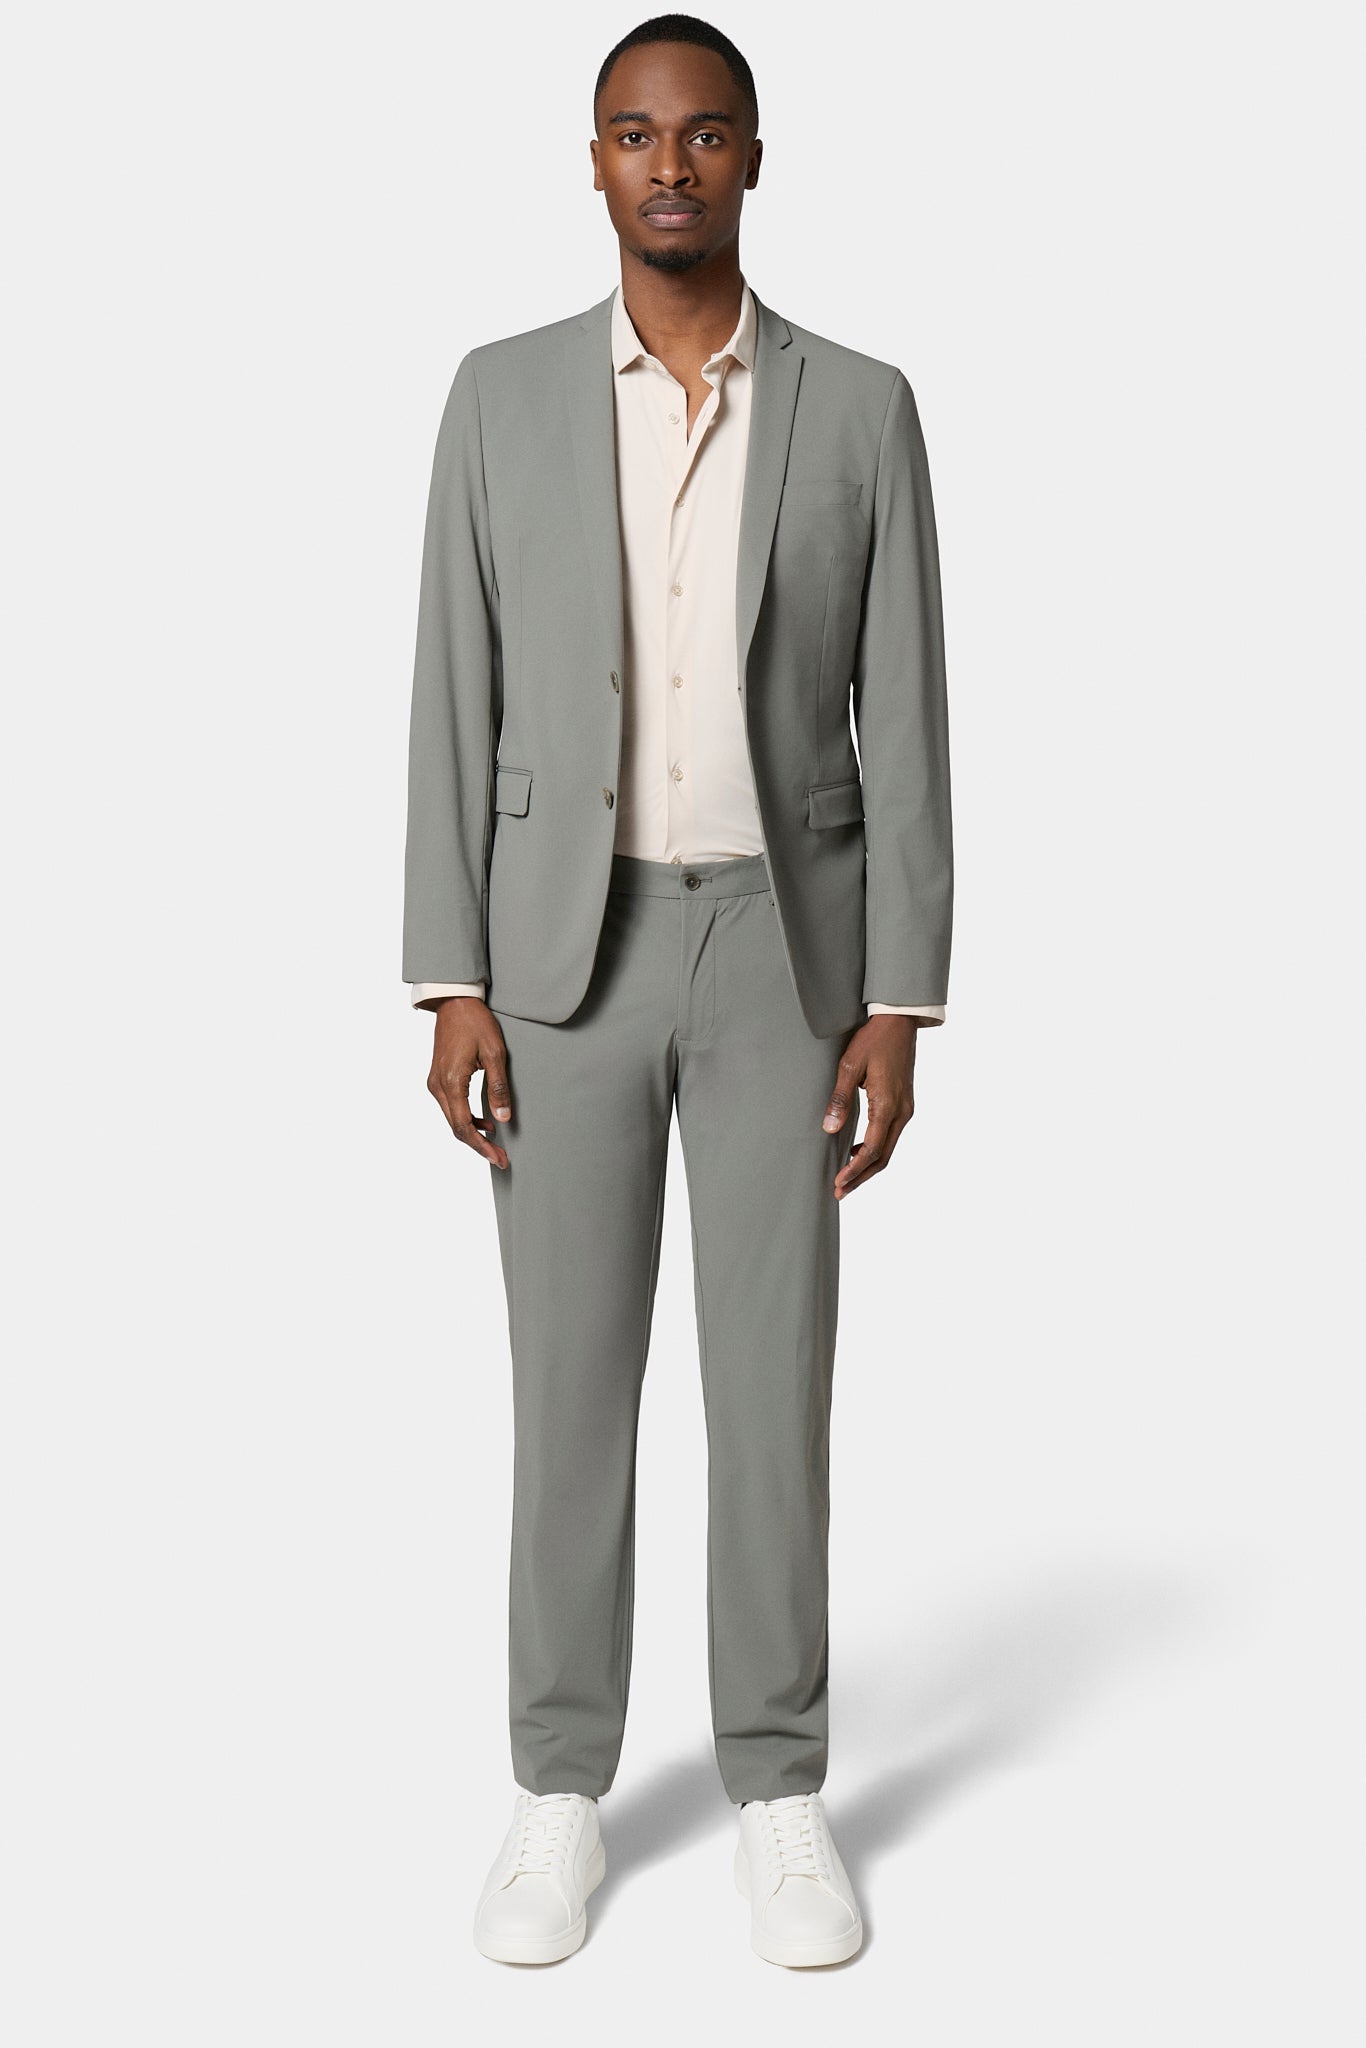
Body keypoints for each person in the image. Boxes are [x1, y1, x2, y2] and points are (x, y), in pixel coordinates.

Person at [402, 11, 953, 1969]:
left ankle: (778, 1785)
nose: (668, 166)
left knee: (769, 1390)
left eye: (703, 134)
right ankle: (558, 1786)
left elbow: (907, 715)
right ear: (591, 161)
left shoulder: (861, 409)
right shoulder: (498, 399)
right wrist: (450, 977)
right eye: (634, 135)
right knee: (568, 1390)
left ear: (751, 159)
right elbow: (449, 693)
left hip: (782, 957)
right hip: (559, 960)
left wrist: (898, 999)